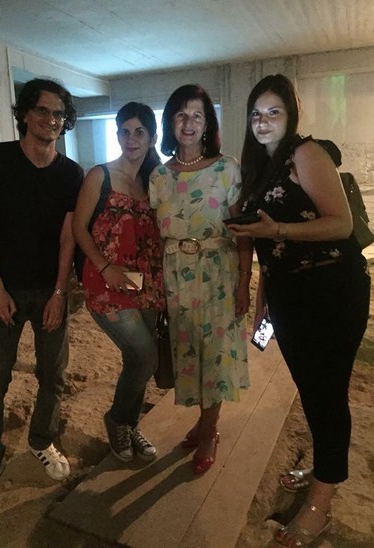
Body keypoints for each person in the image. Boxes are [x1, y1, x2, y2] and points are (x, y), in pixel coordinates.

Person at [228, 74, 370, 546]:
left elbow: (340, 224)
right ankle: (325, 466)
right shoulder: (260, 169)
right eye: (256, 114)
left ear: (291, 116)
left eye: (274, 112)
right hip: (288, 296)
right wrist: (261, 302)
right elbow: (267, 251)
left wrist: (278, 231)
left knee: (327, 393)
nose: (263, 121)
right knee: (312, 390)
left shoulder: (305, 153)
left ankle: (321, 501)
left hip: (332, 290)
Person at [0, 79, 84, 512]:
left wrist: (60, 292)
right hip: (4, 290)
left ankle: (41, 440)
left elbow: (68, 237)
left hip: (50, 290)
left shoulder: (70, 174)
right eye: (43, 110)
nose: (51, 120)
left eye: (58, 113)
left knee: (53, 374)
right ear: (26, 114)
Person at [149, 84, 252, 475]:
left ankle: (209, 432)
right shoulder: (159, 176)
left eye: (197, 115)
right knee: (190, 354)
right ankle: (202, 421)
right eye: (180, 114)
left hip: (218, 274)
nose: (188, 123)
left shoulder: (227, 168)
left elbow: (242, 231)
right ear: (170, 123)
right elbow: (157, 236)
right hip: (176, 277)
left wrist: (244, 281)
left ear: (208, 123)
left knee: (215, 356)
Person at [72, 102, 165, 463]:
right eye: (124, 131)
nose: (131, 138)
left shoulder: (154, 180)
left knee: (137, 359)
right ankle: (116, 419)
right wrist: (105, 266)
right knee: (145, 356)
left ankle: (129, 423)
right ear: (117, 135)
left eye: (139, 132)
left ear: (152, 137)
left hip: (146, 282)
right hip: (107, 281)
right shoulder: (100, 176)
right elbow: (78, 227)